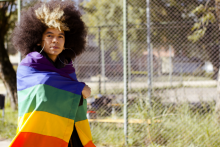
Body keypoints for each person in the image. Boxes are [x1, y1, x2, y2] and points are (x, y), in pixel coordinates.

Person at [9, 1, 95, 147]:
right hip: (38, 133)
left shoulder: (67, 66)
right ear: (38, 39)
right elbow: (43, 84)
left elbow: (71, 97)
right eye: (50, 35)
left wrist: (75, 89)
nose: (55, 40)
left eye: (60, 36)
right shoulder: (28, 65)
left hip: (66, 132)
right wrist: (77, 88)